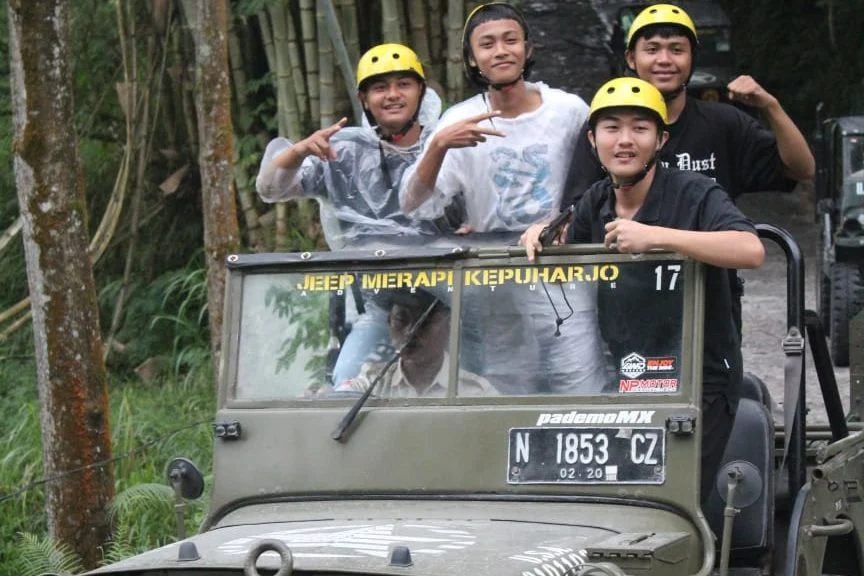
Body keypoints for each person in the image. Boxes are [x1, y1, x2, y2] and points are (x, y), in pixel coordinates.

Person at [520, 77, 766, 501]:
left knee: (668, 498)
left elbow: (750, 249)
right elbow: (565, 243)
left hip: (698, 379)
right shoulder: (595, 201)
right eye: (612, 128)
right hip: (624, 374)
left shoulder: (696, 193)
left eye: (640, 128)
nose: (625, 140)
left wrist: (661, 237)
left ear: (661, 139)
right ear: (592, 139)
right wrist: (542, 230)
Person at [560, 3, 814, 337]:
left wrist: (771, 106)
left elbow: (799, 170)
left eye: (676, 50)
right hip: (627, 300)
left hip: (707, 298)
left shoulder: (720, 131)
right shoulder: (608, 141)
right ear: (630, 59)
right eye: (652, 49)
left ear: (661, 140)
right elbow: (575, 217)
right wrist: (545, 232)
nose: (664, 60)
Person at [399, 2, 608, 395]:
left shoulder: (569, 111)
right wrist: (439, 146)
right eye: (487, 44)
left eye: (511, 40)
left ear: (528, 49)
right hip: (496, 271)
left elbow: (599, 187)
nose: (501, 51)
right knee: (505, 386)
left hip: (563, 266)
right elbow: (414, 204)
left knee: (578, 382)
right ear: (473, 60)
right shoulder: (457, 121)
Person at [256, 43, 451, 385]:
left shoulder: (447, 144)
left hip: (455, 300)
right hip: (383, 307)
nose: (392, 95)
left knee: (486, 387)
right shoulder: (343, 151)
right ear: (363, 99)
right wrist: (299, 151)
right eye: (380, 88)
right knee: (344, 388)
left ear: (422, 91)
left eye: (403, 84)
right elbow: (271, 189)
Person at [335, 288, 496, 398]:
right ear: (388, 323)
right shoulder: (374, 382)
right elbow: (343, 398)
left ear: (449, 327)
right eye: (401, 320)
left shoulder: (476, 391)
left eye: (424, 322)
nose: (410, 332)